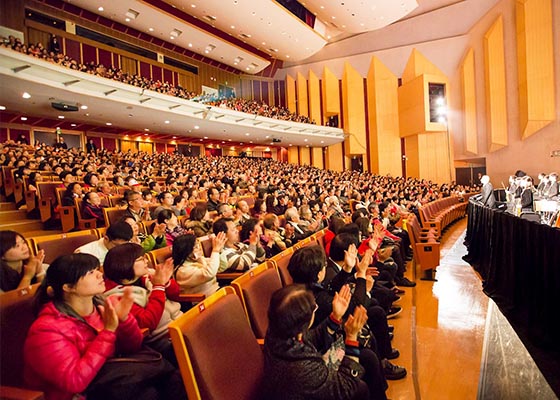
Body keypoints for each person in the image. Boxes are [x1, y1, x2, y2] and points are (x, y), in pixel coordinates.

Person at [23, 253, 144, 400]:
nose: (100, 275)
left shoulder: (102, 306)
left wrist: (124, 320)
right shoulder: (46, 330)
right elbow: (74, 381)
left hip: (112, 381)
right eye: (91, 272)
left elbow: (133, 347)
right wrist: (108, 332)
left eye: (96, 269)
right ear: (68, 287)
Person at [262, 284, 384, 400]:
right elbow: (345, 387)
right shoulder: (300, 369)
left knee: (367, 357)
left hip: (303, 383)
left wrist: (335, 317)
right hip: (306, 386)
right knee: (360, 388)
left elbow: (310, 338)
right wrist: (351, 337)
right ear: (303, 324)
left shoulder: (278, 331)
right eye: (314, 308)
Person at [102, 243, 182, 364]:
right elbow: (148, 322)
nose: (146, 261)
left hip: (180, 322)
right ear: (125, 265)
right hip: (162, 339)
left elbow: (176, 295)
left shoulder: (146, 277)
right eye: (141, 259)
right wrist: (158, 287)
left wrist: (166, 282)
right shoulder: (118, 296)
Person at [172, 232, 227, 297]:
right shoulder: (182, 271)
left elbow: (222, 266)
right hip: (204, 300)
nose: (199, 248)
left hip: (216, 291)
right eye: (196, 247)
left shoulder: (198, 260)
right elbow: (209, 273)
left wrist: (220, 250)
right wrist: (215, 250)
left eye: (198, 245)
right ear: (186, 251)